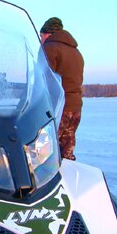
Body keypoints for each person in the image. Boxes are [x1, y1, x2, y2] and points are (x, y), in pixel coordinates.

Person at [40, 17, 84, 160]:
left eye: (42, 36)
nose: (41, 40)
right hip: (75, 108)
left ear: (49, 33)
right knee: (67, 149)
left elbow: (41, 78)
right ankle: (67, 180)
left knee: (45, 154)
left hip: (58, 108)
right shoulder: (76, 53)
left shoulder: (49, 48)